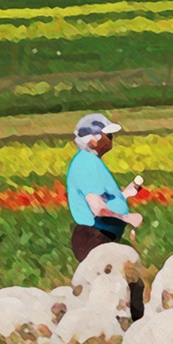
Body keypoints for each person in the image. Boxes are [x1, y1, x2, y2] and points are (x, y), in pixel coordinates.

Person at [66, 112, 145, 262]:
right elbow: (98, 209)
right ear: (93, 140)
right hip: (95, 237)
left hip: (100, 236)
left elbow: (104, 200)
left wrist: (125, 194)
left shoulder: (90, 161)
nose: (111, 138)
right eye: (107, 135)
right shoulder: (87, 163)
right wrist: (127, 218)